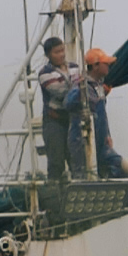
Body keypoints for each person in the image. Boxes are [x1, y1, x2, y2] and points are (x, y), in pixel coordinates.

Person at [66, 48, 121, 178]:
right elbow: (68, 103)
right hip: (82, 136)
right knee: (83, 172)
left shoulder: (99, 86)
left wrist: (107, 134)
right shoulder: (82, 85)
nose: (108, 66)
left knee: (113, 166)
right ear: (95, 66)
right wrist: (80, 92)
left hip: (100, 136)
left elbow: (103, 114)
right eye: (105, 63)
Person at [37, 37, 79, 179]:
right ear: (48, 54)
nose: (61, 54)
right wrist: (77, 87)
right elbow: (59, 91)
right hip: (54, 121)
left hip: (73, 120)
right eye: (56, 52)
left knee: (76, 159)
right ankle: (54, 192)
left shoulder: (75, 67)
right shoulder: (45, 73)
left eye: (62, 50)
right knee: (56, 160)